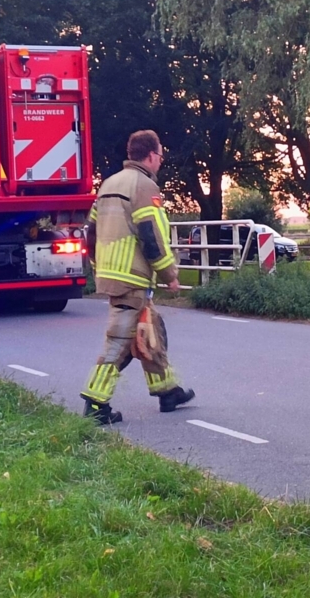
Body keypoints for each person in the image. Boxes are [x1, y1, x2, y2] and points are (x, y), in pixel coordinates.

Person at [80, 130, 195, 424]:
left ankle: (167, 391)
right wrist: (169, 273)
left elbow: (90, 230)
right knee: (120, 341)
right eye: (161, 156)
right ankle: (95, 403)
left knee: (151, 329)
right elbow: (151, 234)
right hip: (131, 276)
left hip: (111, 272)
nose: (161, 161)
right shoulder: (144, 186)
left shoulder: (109, 183)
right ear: (152, 155)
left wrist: (97, 263)